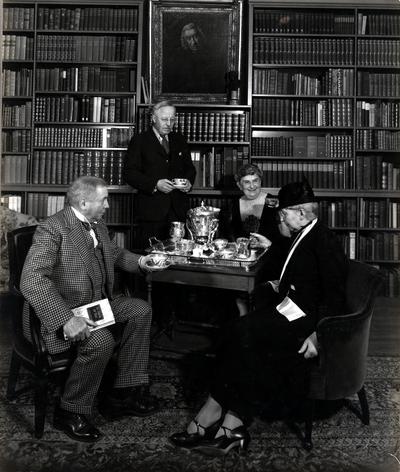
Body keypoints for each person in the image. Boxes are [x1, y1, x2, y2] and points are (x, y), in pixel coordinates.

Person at [169, 179, 349, 455]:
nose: (281, 217)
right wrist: (273, 248)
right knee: (236, 331)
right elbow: (296, 263)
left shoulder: (324, 240)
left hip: (306, 324)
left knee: (245, 335)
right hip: (289, 311)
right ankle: (227, 421)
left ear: (301, 212)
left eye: (284, 213)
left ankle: (218, 419)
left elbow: (336, 297)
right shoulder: (306, 234)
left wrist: (318, 335)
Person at [20, 176, 166, 443]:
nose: (108, 205)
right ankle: (69, 411)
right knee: (101, 340)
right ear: (84, 202)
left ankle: (123, 394)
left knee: (140, 310)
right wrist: (65, 319)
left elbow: (114, 253)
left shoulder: (95, 223)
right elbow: (32, 280)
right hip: (63, 311)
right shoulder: (52, 229)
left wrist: (143, 261)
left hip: (96, 304)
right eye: (104, 200)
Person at [219, 163, 291, 315]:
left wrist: (265, 242)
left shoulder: (273, 202)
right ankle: (242, 318)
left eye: (255, 181)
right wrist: (237, 241)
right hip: (242, 260)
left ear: (260, 181)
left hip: (270, 260)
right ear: (240, 185)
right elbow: (227, 233)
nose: (252, 186)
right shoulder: (234, 205)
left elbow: (285, 238)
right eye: (247, 182)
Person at [125, 100, 196, 250]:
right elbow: (129, 173)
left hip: (178, 212)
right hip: (151, 213)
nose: (169, 123)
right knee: (152, 258)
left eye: (172, 119)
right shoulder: (140, 141)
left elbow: (190, 169)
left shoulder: (180, 140)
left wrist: (189, 182)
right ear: (153, 118)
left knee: (177, 257)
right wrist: (155, 184)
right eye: (164, 119)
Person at [163, 22, 228, 95]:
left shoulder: (212, 56)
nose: (193, 41)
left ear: (200, 36)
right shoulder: (178, 58)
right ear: (185, 41)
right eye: (188, 38)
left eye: (195, 36)